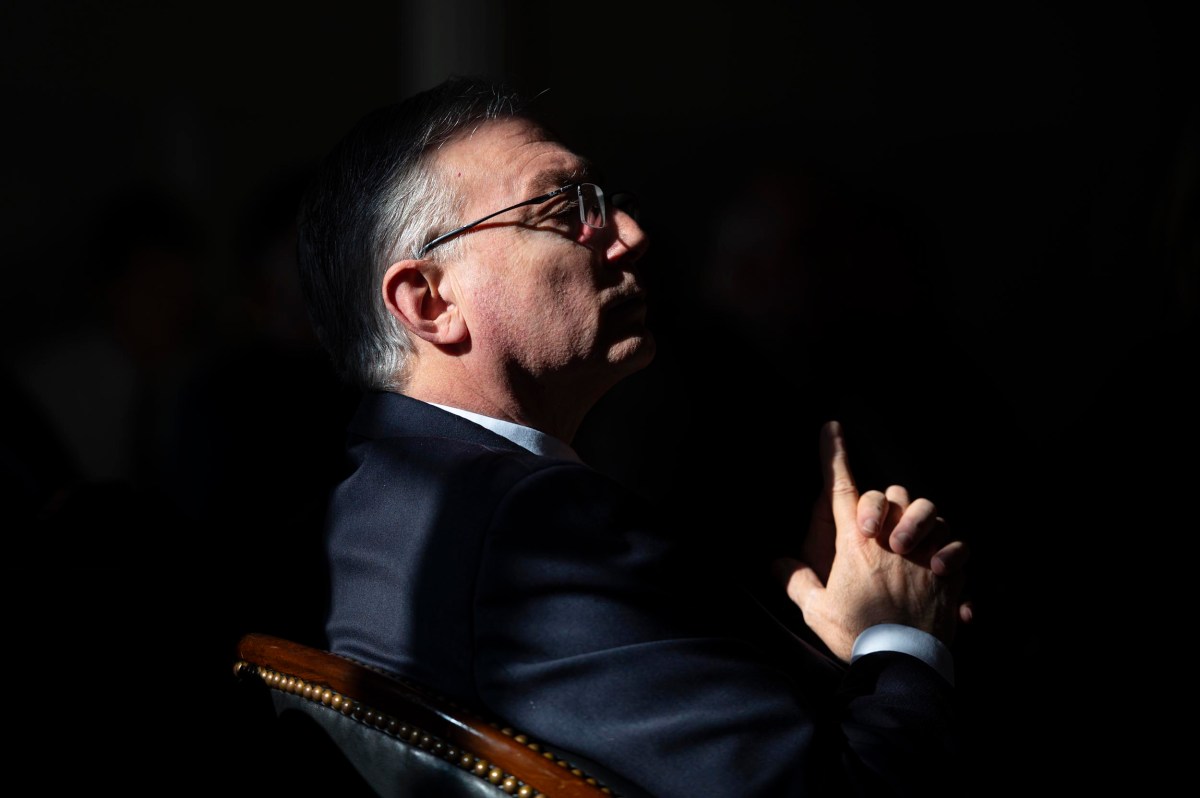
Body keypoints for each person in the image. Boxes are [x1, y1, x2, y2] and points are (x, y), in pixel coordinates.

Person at [294, 75, 973, 798]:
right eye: (565, 208)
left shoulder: (382, 493)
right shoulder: (526, 527)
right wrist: (903, 640)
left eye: (606, 202)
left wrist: (842, 654)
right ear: (431, 301)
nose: (630, 235)